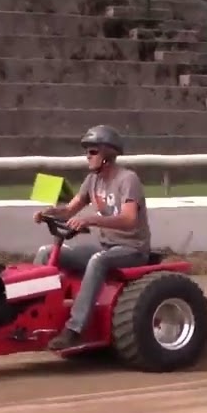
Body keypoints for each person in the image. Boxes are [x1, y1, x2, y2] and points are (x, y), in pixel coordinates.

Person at [32, 125, 153, 352]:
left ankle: (74, 329)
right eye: (87, 151)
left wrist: (91, 220)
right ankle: (37, 317)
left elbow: (129, 219)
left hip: (132, 249)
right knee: (46, 252)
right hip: (107, 246)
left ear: (108, 154)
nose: (87, 156)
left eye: (93, 151)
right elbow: (69, 210)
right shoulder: (92, 180)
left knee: (98, 260)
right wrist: (48, 213)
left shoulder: (128, 179)